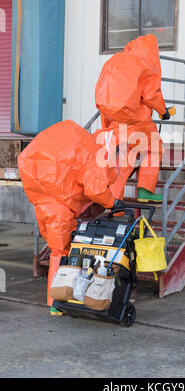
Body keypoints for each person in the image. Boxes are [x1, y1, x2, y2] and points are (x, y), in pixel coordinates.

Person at [18, 120, 117, 315]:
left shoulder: (71, 142)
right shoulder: (90, 154)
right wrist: (112, 203)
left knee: (58, 248)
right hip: (60, 208)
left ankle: (60, 297)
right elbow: (95, 188)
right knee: (61, 252)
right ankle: (56, 302)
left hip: (42, 202)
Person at [94, 34, 170, 203]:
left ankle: (113, 202)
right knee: (154, 149)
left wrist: (106, 124)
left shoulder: (112, 63)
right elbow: (151, 95)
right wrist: (163, 111)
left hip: (115, 121)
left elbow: (102, 93)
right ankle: (145, 190)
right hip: (137, 122)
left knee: (124, 161)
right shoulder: (145, 67)